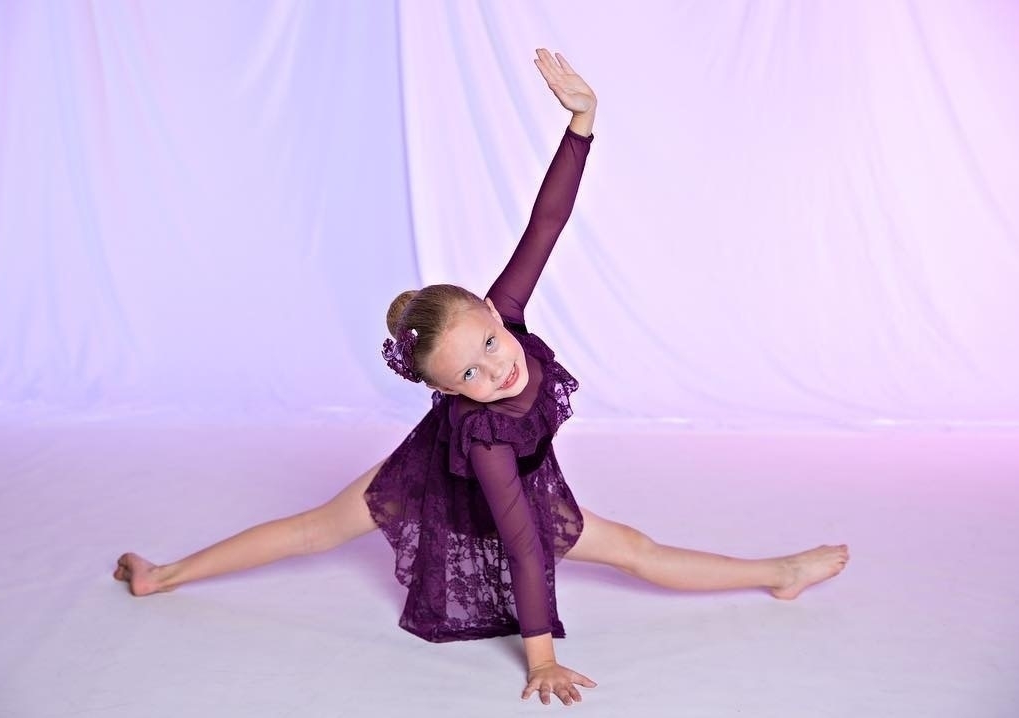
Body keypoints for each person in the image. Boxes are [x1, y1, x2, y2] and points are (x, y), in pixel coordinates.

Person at [114, 48, 849, 706]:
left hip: (508, 481)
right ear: (445, 393)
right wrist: (543, 660)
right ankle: (163, 576)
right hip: (444, 481)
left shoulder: (506, 320)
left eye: (491, 343)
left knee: (636, 547)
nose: (497, 368)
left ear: (497, 313)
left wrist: (582, 124)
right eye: (469, 372)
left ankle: (778, 572)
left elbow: (545, 225)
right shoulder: (485, 436)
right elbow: (524, 547)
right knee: (317, 528)